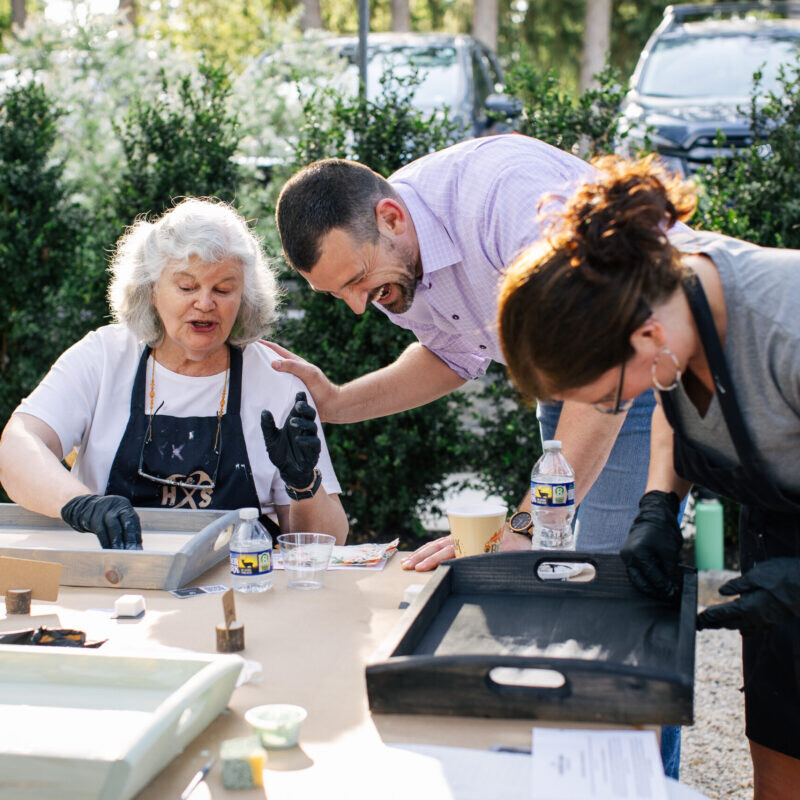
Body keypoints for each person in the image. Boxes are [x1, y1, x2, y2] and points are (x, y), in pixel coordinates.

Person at [272, 135, 683, 778]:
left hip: (639, 362)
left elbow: (606, 372)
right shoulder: (394, 260)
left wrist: (516, 531)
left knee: (615, 596)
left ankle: (644, 786)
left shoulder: (504, 196)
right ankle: (569, 774)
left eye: (357, 281)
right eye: (339, 295)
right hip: (569, 377)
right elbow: (452, 353)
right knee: (556, 586)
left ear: (390, 217)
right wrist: (336, 403)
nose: (358, 306)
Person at [496, 155, 800, 798]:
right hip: (781, 532)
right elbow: (672, 394)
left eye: (607, 398)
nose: (608, 410)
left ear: (646, 336)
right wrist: (658, 506)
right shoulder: (669, 311)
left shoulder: (786, 328)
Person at [0, 198, 348, 549]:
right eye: (187, 286)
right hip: (114, 583)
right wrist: (81, 504)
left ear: (244, 297)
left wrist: (303, 482)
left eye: (224, 289)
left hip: (241, 588)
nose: (205, 303)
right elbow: (18, 444)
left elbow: (328, 540)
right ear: (151, 289)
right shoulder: (103, 356)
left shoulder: (276, 382)